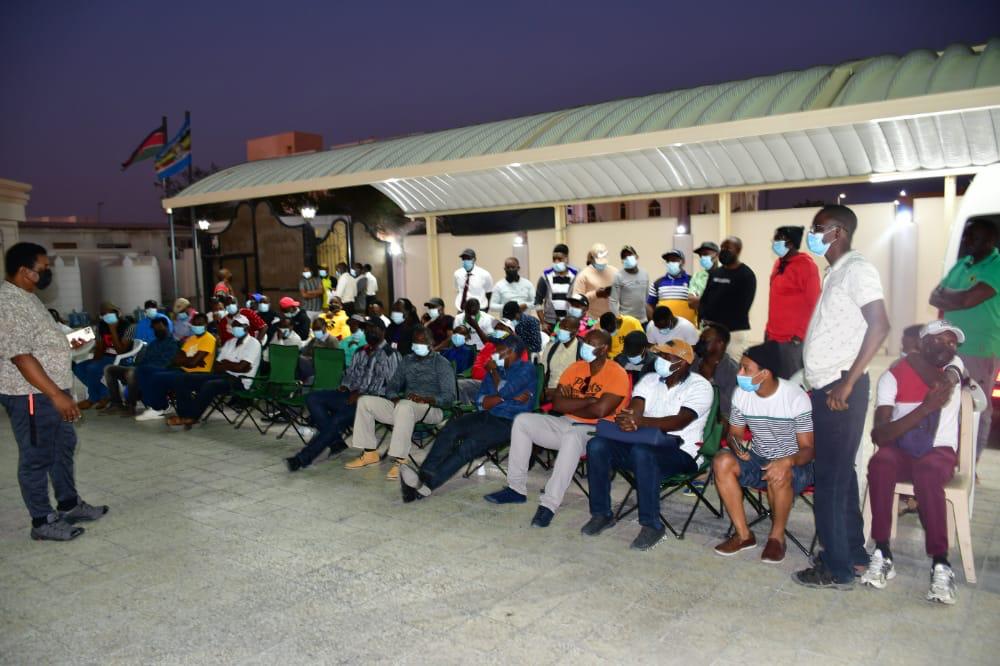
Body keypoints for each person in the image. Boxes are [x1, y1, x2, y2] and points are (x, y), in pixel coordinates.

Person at [794, 204, 890, 590]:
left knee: (830, 480)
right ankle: (853, 555)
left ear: (838, 232)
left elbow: (880, 325)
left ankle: (836, 567)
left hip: (840, 389)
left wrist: (848, 383)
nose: (812, 233)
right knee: (842, 475)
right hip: (829, 386)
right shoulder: (836, 272)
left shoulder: (857, 270)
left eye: (818, 227)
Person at [0, 242, 108, 541]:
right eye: (43, 269)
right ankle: (42, 521)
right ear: (25, 271)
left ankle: (69, 504)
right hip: (31, 394)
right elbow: (22, 357)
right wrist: (56, 396)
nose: (48, 273)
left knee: (63, 447)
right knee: (36, 456)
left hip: (51, 391)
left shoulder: (28, 297)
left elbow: (40, 343)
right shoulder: (8, 303)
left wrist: (71, 341)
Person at [861, 320, 965, 604]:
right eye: (940, 340)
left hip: (939, 451)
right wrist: (925, 408)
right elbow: (880, 434)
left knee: (928, 473)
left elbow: (946, 380)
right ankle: (882, 551)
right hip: (902, 449)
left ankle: (941, 563)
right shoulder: (892, 377)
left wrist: (923, 364)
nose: (948, 347)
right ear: (922, 343)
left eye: (952, 342)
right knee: (880, 463)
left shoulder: (954, 366)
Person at [485, 329, 630, 528]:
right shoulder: (576, 368)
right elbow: (559, 404)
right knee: (522, 421)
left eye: (591, 343)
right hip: (567, 422)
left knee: (572, 436)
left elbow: (600, 411)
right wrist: (588, 400)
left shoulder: (617, 373)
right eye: (585, 341)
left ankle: (549, 505)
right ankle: (515, 488)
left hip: (598, 431)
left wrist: (575, 401)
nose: (585, 346)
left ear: (604, 349)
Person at [581, 339, 713, 550]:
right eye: (660, 355)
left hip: (681, 452)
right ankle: (601, 514)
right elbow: (636, 408)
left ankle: (652, 526)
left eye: (666, 356)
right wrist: (628, 419)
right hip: (642, 443)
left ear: (682, 362)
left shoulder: (700, 386)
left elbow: (679, 421)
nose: (660, 360)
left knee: (643, 453)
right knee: (597, 445)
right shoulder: (650, 379)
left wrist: (639, 422)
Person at [399, 334, 537, 501]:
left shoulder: (526, 369)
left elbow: (503, 391)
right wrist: (504, 398)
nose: (494, 354)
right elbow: (481, 400)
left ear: (512, 352)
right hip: (488, 415)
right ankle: (423, 475)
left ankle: (428, 485)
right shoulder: (496, 370)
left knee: (468, 446)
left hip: (511, 423)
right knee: (452, 427)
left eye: (499, 351)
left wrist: (497, 384)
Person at [712, 341, 815, 564]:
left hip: (795, 464)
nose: (739, 373)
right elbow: (734, 433)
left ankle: (777, 538)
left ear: (764, 373)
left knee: (778, 473)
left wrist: (786, 461)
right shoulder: (742, 394)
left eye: (746, 369)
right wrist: (737, 446)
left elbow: (808, 449)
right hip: (759, 458)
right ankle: (743, 535)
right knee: (721, 461)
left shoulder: (794, 397)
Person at [285, 318, 400, 471]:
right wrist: (345, 386)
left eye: (374, 329)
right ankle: (335, 441)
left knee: (337, 419)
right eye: (367, 330)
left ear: (383, 331)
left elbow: (393, 386)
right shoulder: (361, 351)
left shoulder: (391, 354)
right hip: (351, 396)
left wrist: (361, 394)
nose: (370, 332)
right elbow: (350, 375)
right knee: (313, 398)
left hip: (373, 402)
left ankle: (302, 459)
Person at [345, 326, 457, 480]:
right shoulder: (407, 360)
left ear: (431, 343)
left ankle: (401, 461)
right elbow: (392, 386)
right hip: (405, 407)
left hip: (432, 409)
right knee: (365, 401)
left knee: (404, 406)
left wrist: (427, 399)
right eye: (415, 341)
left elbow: (450, 397)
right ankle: (370, 453)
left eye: (423, 341)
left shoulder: (441, 363)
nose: (418, 344)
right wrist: (394, 398)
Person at [930, 218, 1000, 460]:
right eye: (966, 236)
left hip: (979, 349)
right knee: (948, 402)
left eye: (974, 237)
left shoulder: (996, 266)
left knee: (975, 405)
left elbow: (969, 300)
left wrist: (950, 296)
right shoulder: (963, 263)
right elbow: (934, 296)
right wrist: (957, 297)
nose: (967, 241)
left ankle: (970, 464)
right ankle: (949, 456)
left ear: (990, 240)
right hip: (948, 348)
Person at [166, 314, 262, 428]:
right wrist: (233, 366)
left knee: (210, 385)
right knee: (182, 378)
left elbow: (241, 368)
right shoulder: (230, 342)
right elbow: (217, 366)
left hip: (240, 381)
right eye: (234, 325)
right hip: (223, 376)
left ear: (247, 327)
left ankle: (191, 417)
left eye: (239, 325)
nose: (236, 328)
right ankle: (184, 415)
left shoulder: (253, 343)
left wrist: (227, 364)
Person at [135, 313, 217, 421]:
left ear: (206, 324)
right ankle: (160, 406)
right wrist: (191, 360)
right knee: (150, 372)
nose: (197, 326)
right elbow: (176, 359)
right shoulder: (192, 339)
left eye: (200, 324)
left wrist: (187, 360)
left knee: (158, 377)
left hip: (198, 374)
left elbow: (191, 363)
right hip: (183, 370)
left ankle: (158, 408)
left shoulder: (209, 339)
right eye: (195, 324)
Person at [766, 226, 821, 379]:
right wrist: (768, 330)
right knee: (776, 381)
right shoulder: (779, 264)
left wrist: (800, 334)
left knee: (793, 383)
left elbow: (815, 304)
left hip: (792, 340)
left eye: (778, 239)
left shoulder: (807, 266)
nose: (774, 242)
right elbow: (775, 300)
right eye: (774, 239)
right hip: (773, 336)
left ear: (791, 243)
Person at [101, 314, 178, 416]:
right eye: (155, 329)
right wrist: (137, 366)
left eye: (159, 327)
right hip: (142, 369)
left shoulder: (173, 343)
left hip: (157, 371)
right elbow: (143, 360)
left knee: (131, 372)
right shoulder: (153, 344)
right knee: (109, 369)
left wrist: (141, 368)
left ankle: (131, 406)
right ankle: (116, 404)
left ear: (166, 327)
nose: (157, 330)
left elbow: (166, 363)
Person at [698, 237, 757, 361]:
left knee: (731, 366)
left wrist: (717, 322)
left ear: (738, 251)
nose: (724, 251)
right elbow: (705, 300)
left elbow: (743, 307)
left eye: (728, 248)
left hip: (734, 333)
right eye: (722, 248)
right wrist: (704, 318)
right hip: (712, 331)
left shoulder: (746, 275)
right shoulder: (715, 273)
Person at [72, 302, 135, 409]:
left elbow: (121, 351)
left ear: (117, 313)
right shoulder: (101, 326)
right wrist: (95, 359)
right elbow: (100, 347)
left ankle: (92, 399)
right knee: (79, 367)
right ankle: (105, 394)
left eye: (110, 313)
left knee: (92, 368)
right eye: (103, 314)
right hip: (106, 357)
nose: (107, 316)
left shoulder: (128, 327)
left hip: (122, 358)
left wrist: (113, 330)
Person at [692, 322, 739, 427]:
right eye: (700, 339)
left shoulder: (733, 372)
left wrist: (710, 381)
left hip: (713, 420)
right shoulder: (693, 361)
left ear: (720, 344)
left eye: (704, 340)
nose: (700, 343)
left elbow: (727, 409)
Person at [535, 243, 579, 331]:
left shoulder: (576, 274)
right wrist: (543, 322)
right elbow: (537, 301)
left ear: (566, 258)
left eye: (559, 259)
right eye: (554, 259)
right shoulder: (546, 276)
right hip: (550, 323)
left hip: (571, 321)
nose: (556, 262)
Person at [647, 249, 696, 324]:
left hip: (687, 327)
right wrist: (655, 323)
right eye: (668, 261)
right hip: (665, 327)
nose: (670, 263)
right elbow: (649, 305)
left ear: (682, 262)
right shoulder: (657, 283)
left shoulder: (692, 281)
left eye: (674, 260)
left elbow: (698, 304)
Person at [539, 315, 581, 399]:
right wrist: (541, 390)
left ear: (575, 332)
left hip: (569, 395)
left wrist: (554, 392)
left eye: (566, 328)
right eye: (560, 327)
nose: (561, 330)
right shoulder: (551, 347)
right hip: (548, 391)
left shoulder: (580, 352)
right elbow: (542, 372)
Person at [574, 242, 618, 318]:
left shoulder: (615, 272)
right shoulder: (584, 275)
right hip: (592, 319)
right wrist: (595, 294)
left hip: (612, 318)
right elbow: (576, 301)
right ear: (592, 258)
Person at [609, 245, 650, 324]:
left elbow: (647, 298)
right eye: (624, 257)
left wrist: (650, 316)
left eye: (630, 255)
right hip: (626, 320)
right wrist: (617, 319)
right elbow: (613, 301)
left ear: (636, 257)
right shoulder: (618, 276)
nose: (627, 258)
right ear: (622, 261)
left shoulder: (644, 274)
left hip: (643, 320)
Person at [688, 241, 719, 314]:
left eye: (706, 254)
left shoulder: (726, 274)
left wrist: (700, 299)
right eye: (700, 255)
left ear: (717, 255)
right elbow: (691, 302)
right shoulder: (697, 276)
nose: (702, 258)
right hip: (702, 318)